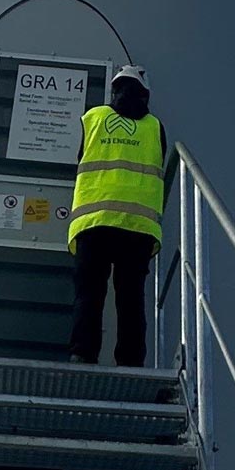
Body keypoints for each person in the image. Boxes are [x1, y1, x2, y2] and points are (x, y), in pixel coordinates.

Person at [67, 64, 166, 366]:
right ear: (145, 95)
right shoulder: (154, 127)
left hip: (93, 221)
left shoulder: (93, 118)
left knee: (89, 294)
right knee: (131, 299)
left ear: (115, 89)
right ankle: (131, 361)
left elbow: (80, 158)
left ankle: (83, 354)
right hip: (137, 227)